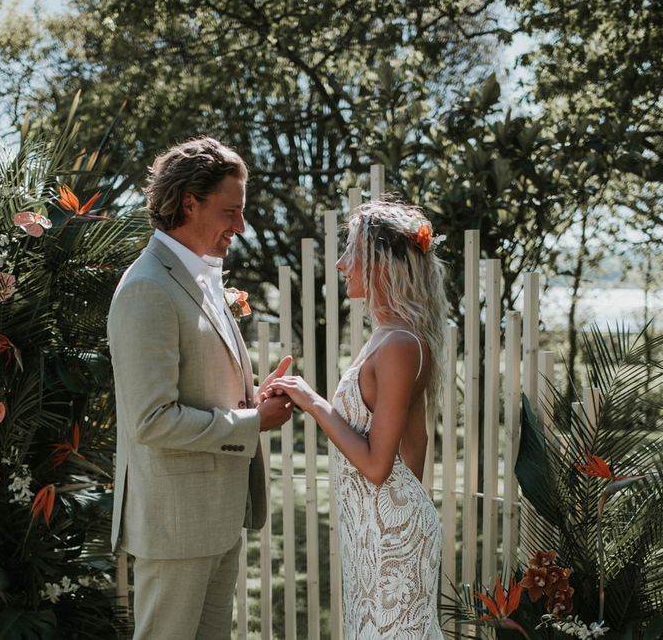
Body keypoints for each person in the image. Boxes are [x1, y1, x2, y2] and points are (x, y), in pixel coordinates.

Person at [107, 136, 293, 640]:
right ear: (190, 202)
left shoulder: (201, 279)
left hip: (216, 516)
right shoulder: (148, 288)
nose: (240, 226)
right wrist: (254, 422)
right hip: (175, 528)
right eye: (231, 211)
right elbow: (151, 419)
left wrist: (253, 399)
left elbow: (198, 395)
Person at [265, 199, 447, 639]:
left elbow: (377, 464)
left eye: (352, 251)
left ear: (382, 263)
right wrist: (388, 518)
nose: (341, 262)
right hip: (376, 530)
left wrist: (312, 401)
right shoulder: (389, 336)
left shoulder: (401, 344)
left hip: (389, 537)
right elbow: (417, 441)